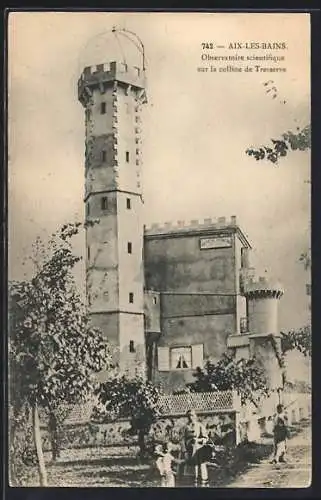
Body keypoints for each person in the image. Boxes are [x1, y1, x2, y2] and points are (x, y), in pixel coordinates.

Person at [181, 409, 210, 487]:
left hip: (198, 451)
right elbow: (182, 439)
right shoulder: (185, 427)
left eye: (192, 415)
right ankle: (192, 483)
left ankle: (202, 482)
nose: (191, 417)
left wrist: (198, 440)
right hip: (189, 450)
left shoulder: (200, 425)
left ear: (196, 416)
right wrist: (184, 451)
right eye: (189, 416)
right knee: (190, 469)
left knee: (200, 466)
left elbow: (206, 438)